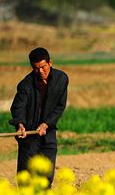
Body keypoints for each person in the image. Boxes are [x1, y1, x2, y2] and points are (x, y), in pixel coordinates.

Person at [8, 47, 69, 187]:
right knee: (26, 179)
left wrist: (46, 124)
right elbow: (18, 107)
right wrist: (20, 124)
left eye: (43, 67)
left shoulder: (61, 79)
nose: (40, 71)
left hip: (48, 134)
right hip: (29, 136)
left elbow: (60, 106)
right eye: (36, 68)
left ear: (50, 63)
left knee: (45, 180)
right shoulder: (25, 85)